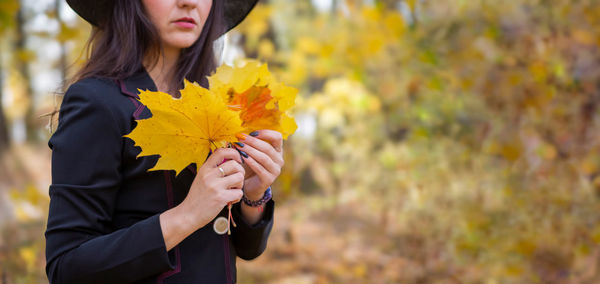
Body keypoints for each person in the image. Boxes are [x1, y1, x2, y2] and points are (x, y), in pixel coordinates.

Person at [45, 0, 283, 283]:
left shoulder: (219, 102)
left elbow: (247, 248)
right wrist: (186, 216)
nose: (189, 2)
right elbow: (66, 267)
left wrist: (253, 196)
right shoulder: (98, 102)